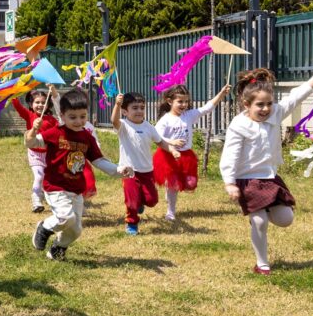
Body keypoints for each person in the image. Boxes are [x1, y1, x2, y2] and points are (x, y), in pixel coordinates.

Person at [220, 65, 313, 275]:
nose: (265, 109)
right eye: (259, 105)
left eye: (269, 104)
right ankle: (262, 263)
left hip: (270, 178)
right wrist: (230, 182)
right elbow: (230, 155)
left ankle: (261, 211)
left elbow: (296, 96)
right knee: (261, 222)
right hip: (247, 179)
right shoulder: (239, 125)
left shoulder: (276, 114)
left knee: (285, 219)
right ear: (246, 104)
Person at [29, 89, 133, 261]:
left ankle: (57, 249)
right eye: (73, 117)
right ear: (62, 115)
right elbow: (31, 142)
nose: (78, 121)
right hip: (56, 187)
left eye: (83, 116)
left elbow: (99, 160)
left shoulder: (87, 137)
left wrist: (118, 170)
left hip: (76, 190)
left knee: (76, 230)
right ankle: (44, 227)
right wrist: (33, 131)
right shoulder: (56, 133)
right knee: (65, 217)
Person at [154, 83, 231, 221]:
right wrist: (172, 142)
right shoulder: (165, 119)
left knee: (190, 184)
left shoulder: (188, 115)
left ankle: (171, 190)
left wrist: (221, 93)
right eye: (180, 101)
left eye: (186, 101)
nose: (184, 104)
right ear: (170, 101)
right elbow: (157, 136)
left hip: (186, 156)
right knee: (174, 184)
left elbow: (207, 108)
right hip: (169, 155)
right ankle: (170, 211)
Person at [112, 92, 174, 235]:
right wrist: (117, 104)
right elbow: (114, 120)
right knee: (132, 200)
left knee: (152, 200)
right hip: (129, 171)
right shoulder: (123, 125)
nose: (139, 111)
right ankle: (132, 224)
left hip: (147, 171)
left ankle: (140, 204)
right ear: (125, 111)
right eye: (135, 108)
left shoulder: (148, 127)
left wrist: (172, 150)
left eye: (142, 107)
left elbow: (160, 142)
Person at [12, 89, 54, 213]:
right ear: (31, 104)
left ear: (48, 105)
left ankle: (48, 197)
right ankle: (36, 200)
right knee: (39, 175)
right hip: (34, 154)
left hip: (48, 154)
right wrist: (14, 92)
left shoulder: (52, 120)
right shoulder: (29, 115)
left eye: (43, 102)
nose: (40, 105)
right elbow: (17, 106)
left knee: (47, 178)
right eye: (37, 102)